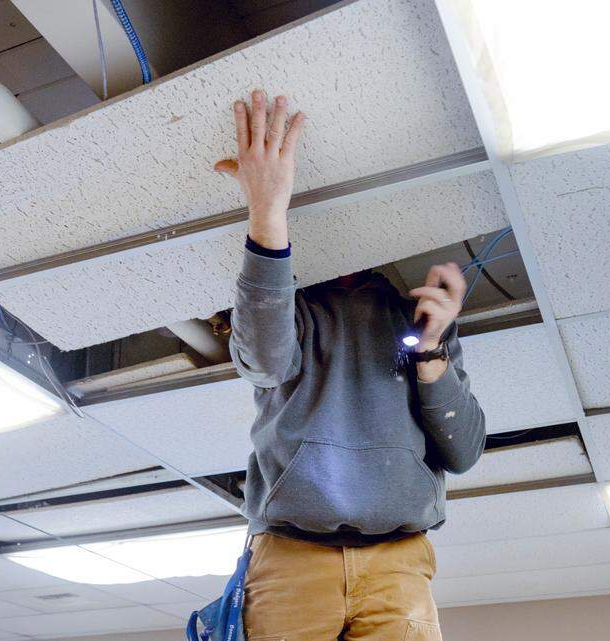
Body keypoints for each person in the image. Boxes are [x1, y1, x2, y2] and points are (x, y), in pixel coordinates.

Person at [213, 91, 487, 641]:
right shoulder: (296, 314)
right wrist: (267, 209)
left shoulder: (418, 316)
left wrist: (432, 351)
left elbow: (464, 451)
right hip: (293, 552)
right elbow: (263, 361)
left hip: (399, 557)